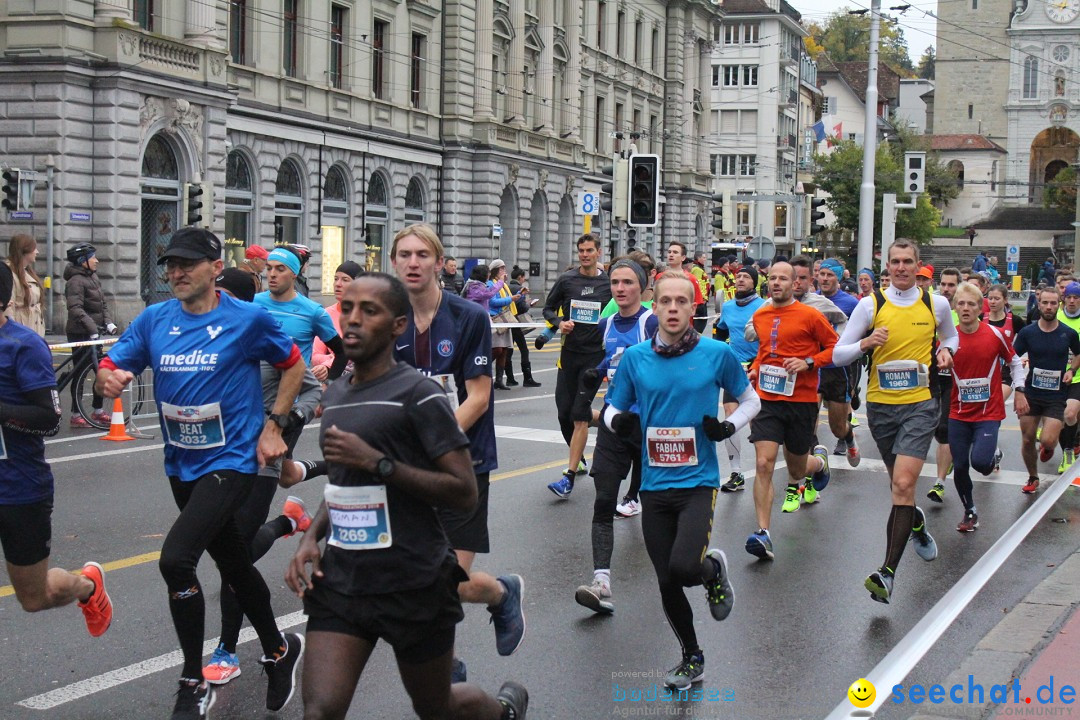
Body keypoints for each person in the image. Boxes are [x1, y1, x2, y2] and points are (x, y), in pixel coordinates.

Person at [285, 272, 529, 720]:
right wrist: (310, 538)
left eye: (370, 311)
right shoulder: (337, 393)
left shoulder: (420, 395)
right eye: (348, 309)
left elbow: (462, 493)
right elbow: (342, 481)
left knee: (436, 708)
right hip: (346, 581)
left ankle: (503, 711)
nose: (353, 320)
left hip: (412, 580)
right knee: (319, 711)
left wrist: (379, 463)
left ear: (397, 325)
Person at [95, 228, 306, 718]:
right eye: (170, 264)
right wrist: (109, 376)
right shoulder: (154, 320)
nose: (176, 273)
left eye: (187, 264)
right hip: (182, 463)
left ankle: (192, 680)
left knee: (176, 560)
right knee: (232, 562)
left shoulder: (248, 319)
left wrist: (275, 425)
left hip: (232, 461)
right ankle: (279, 650)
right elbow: (113, 363)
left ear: (215, 268)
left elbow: (295, 367)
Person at [603, 271, 759, 689]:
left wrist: (728, 427)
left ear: (695, 308)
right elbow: (609, 409)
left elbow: (751, 399)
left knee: (685, 565)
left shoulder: (716, 354)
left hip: (698, 482)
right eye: (666, 301)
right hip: (654, 485)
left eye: (681, 302)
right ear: (655, 307)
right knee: (667, 578)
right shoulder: (636, 358)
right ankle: (692, 656)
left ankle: (711, 570)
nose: (673, 309)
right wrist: (623, 424)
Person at [391, 224, 525, 682]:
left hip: (463, 462)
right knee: (418, 578)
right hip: (407, 469)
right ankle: (500, 595)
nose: (413, 262)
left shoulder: (467, 316)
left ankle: (445, 670)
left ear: (438, 262)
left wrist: (434, 443)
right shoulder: (387, 319)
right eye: (404, 254)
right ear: (393, 263)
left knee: (442, 580)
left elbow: (478, 397)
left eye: (422, 254)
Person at [203, 268, 322, 687]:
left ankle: (227, 648)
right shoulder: (204, 340)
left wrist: (284, 423)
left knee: (233, 557)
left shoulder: (261, 333)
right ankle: (288, 522)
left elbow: (310, 388)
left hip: (261, 456)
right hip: (218, 458)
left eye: (217, 296)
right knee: (230, 548)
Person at [832, 240, 955, 604]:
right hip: (882, 409)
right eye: (895, 262)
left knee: (902, 484)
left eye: (908, 262)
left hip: (921, 404)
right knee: (898, 488)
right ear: (888, 266)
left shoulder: (936, 303)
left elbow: (950, 334)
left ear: (919, 266)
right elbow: (839, 353)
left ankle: (886, 573)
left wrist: (947, 350)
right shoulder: (871, 305)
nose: (901, 268)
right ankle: (914, 521)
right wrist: (866, 342)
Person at [0, 262, 113, 636]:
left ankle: (88, 586)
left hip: (17, 489)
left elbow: (49, 420)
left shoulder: (23, 346)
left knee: (34, 597)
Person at [573, 259, 658, 613]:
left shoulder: (650, 321)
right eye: (615, 282)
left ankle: (673, 572)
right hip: (613, 421)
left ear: (641, 287)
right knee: (604, 499)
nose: (620, 288)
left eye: (627, 282)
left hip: (650, 424)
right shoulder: (606, 323)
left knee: (657, 505)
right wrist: (592, 379)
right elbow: (603, 362)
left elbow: (665, 364)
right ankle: (602, 581)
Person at [744, 262, 836, 558]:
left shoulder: (811, 315)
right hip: (767, 400)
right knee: (763, 464)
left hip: (801, 402)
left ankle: (818, 463)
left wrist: (809, 362)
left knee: (796, 468)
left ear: (795, 283)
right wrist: (756, 369)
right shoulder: (760, 315)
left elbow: (836, 348)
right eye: (772, 278)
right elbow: (763, 352)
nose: (776, 283)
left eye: (783, 278)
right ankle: (763, 533)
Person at [948, 282, 1025, 532]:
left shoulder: (994, 335)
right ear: (955, 307)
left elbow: (1014, 362)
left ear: (980, 307)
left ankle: (992, 455)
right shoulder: (948, 338)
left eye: (972, 304)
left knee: (980, 464)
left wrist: (1020, 389)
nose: (966, 308)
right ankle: (970, 510)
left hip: (988, 412)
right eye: (961, 303)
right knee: (959, 466)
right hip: (957, 412)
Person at [543, 234, 612, 493]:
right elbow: (548, 309)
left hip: (594, 356)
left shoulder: (608, 284)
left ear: (598, 252)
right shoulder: (566, 280)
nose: (585, 255)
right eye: (581, 250)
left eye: (589, 250)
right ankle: (606, 426)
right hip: (569, 355)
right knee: (564, 413)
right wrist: (559, 323)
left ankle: (569, 476)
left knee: (579, 413)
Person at [1013, 286, 1080, 494]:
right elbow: (1013, 358)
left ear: (1058, 304)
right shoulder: (1028, 332)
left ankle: (1049, 448)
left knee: (1048, 440)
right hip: (1032, 393)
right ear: (1038, 304)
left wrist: (1071, 370)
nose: (1049, 307)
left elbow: (1078, 354)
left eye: (1053, 303)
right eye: (1045, 303)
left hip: (1056, 395)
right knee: (1027, 438)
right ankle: (1033, 477)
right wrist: (1019, 388)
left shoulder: (1068, 333)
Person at [255, 247, 348, 380]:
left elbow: (342, 351)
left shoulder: (313, 312)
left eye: (280, 269)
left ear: (295, 273)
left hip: (295, 396)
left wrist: (329, 384)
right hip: (255, 395)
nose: (272, 274)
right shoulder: (252, 303)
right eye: (269, 268)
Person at [714, 264, 764, 492]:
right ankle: (736, 472)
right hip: (734, 370)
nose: (741, 280)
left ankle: (764, 469)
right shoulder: (728, 307)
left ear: (755, 282)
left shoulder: (764, 306)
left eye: (746, 277)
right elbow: (721, 332)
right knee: (730, 417)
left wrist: (759, 362)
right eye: (738, 276)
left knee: (757, 423)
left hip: (758, 369)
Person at [63, 242, 116, 428]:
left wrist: (108, 323)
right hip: (79, 333)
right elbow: (75, 308)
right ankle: (76, 414)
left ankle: (98, 410)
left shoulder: (93, 277)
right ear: (82, 260)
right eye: (93, 257)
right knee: (79, 373)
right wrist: (92, 329)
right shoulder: (75, 281)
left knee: (101, 370)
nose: (97, 260)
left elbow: (102, 304)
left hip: (94, 332)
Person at [927, 268, 962, 504]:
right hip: (931, 377)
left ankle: (939, 483)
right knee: (937, 430)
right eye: (944, 284)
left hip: (956, 380)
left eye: (952, 285)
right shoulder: (932, 308)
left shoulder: (964, 311)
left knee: (945, 429)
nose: (947, 289)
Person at [311, 261, 365, 381]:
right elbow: (315, 355)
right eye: (336, 279)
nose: (338, 284)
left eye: (345, 280)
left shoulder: (367, 315)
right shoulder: (326, 314)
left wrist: (331, 362)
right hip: (333, 382)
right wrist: (331, 362)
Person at [986, 283, 1026, 408]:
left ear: (1005, 300)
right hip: (985, 370)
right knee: (985, 408)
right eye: (990, 298)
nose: (992, 302)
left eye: (997, 299)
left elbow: (1029, 339)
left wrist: (1019, 357)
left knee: (995, 404)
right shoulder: (981, 319)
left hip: (1005, 371)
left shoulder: (1015, 320)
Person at [1055, 281, 1080, 472]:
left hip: (1077, 376)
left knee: (1070, 413)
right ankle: (1066, 451)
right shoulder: (1055, 317)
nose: (1072, 301)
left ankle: (1070, 449)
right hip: (1055, 375)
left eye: (1076, 298)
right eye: (1069, 297)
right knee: (1061, 418)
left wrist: (1073, 369)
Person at [487, 260, 523, 390]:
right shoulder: (490, 284)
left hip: (504, 318)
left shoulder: (504, 285)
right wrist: (511, 299)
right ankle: (482, 369)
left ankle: (499, 380)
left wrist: (519, 296)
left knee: (505, 350)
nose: (504, 271)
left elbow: (508, 299)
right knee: (497, 348)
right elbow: (493, 302)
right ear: (496, 271)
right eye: (501, 269)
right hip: (495, 318)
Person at [506, 266, 541, 388]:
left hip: (507, 321)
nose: (523, 280)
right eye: (523, 278)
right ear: (520, 277)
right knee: (524, 350)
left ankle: (509, 378)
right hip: (516, 322)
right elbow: (522, 307)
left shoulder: (506, 287)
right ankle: (527, 378)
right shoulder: (520, 289)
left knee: (509, 350)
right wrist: (528, 304)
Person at [5, 234, 45, 336]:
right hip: (21, 334)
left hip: (33, 332)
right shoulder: (8, 273)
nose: (37, 252)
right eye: (34, 248)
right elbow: (8, 308)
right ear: (24, 250)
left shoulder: (27, 271)